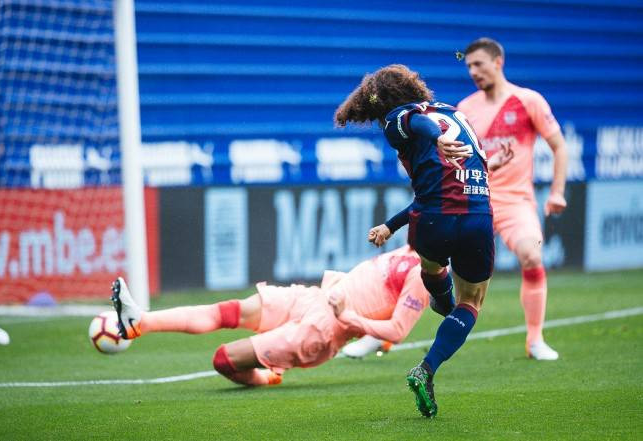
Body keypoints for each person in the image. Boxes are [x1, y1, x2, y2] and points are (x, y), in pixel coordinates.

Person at [334, 64, 495, 418]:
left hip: (435, 220)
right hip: (476, 216)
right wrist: (391, 226)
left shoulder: (401, 117)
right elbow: (443, 182)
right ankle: (428, 367)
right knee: (472, 303)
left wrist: (435, 137)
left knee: (432, 265)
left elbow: (414, 125)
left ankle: (441, 299)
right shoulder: (455, 113)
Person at [111, 245, 430, 387]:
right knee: (230, 310)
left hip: (322, 331)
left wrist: (349, 318)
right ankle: (141, 322)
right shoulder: (411, 248)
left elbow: (398, 330)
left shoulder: (423, 274)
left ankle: (266, 377)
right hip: (313, 299)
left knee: (223, 359)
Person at [457, 37, 568, 360]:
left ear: (498, 62)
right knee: (428, 261)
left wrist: (557, 191)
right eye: (468, 67)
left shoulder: (527, 100)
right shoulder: (465, 108)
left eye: (478, 64)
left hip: (514, 202)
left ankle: (535, 340)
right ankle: (385, 334)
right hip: (475, 198)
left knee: (532, 255)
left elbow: (559, 146)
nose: (473, 71)